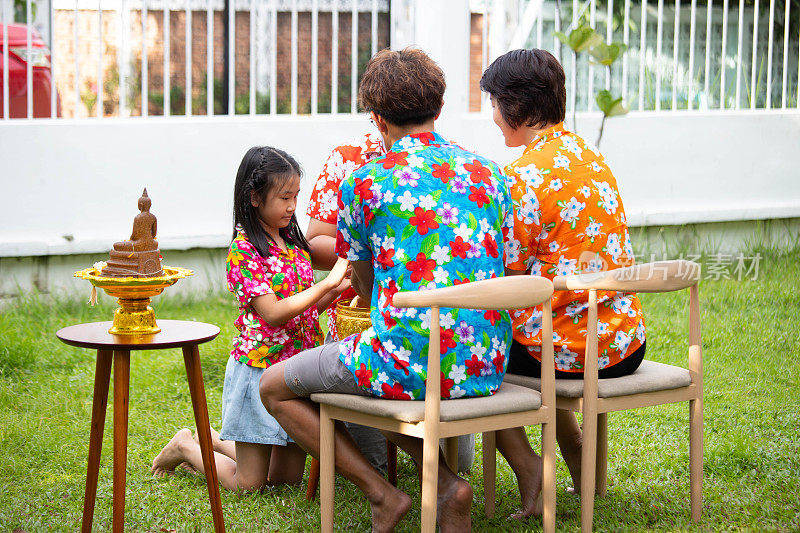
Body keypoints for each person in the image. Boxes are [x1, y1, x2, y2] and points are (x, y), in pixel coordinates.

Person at [259, 48, 516, 532]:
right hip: (483, 362)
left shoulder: (363, 182)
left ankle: (381, 495)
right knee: (381, 371)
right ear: (438, 111)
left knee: (274, 387)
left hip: (410, 359)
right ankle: (444, 485)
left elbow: (363, 282)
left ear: (376, 119)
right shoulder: (491, 173)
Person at [480, 49, 647, 496]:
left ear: (516, 105)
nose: (492, 116)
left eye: (493, 103)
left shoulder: (519, 176)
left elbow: (508, 281)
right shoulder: (592, 158)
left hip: (567, 354)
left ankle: (531, 470)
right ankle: (583, 476)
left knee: (467, 355)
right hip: (621, 342)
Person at [151, 146, 350, 491]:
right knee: (249, 484)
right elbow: (273, 313)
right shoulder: (244, 250)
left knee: (284, 481)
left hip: (295, 371)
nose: (292, 206)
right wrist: (327, 284)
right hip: (258, 371)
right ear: (255, 197)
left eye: (296, 196)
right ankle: (186, 444)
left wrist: (335, 291)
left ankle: (209, 438)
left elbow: (300, 315)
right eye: (284, 197)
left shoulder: (293, 242)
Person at [307, 132, 476, 474]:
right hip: (362, 324)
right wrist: (370, 248)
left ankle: (438, 478)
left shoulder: (455, 159)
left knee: (460, 462)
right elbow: (314, 242)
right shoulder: (349, 156)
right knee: (376, 464)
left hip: (440, 334)